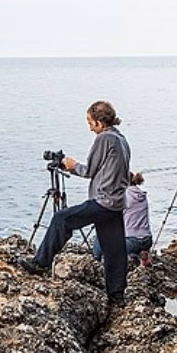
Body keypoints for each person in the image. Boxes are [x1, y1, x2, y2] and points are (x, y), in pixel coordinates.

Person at [20, 100, 131, 307]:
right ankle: (117, 295)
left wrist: (71, 165)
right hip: (116, 202)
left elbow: (89, 171)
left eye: (90, 121)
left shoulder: (104, 138)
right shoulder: (121, 139)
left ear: (99, 122)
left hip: (103, 201)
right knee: (115, 249)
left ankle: (40, 262)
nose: (88, 126)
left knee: (62, 218)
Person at [91, 172, 152, 267]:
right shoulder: (142, 195)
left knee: (101, 235)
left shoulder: (124, 196)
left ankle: (95, 262)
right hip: (147, 240)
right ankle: (138, 254)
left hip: (131, 241)